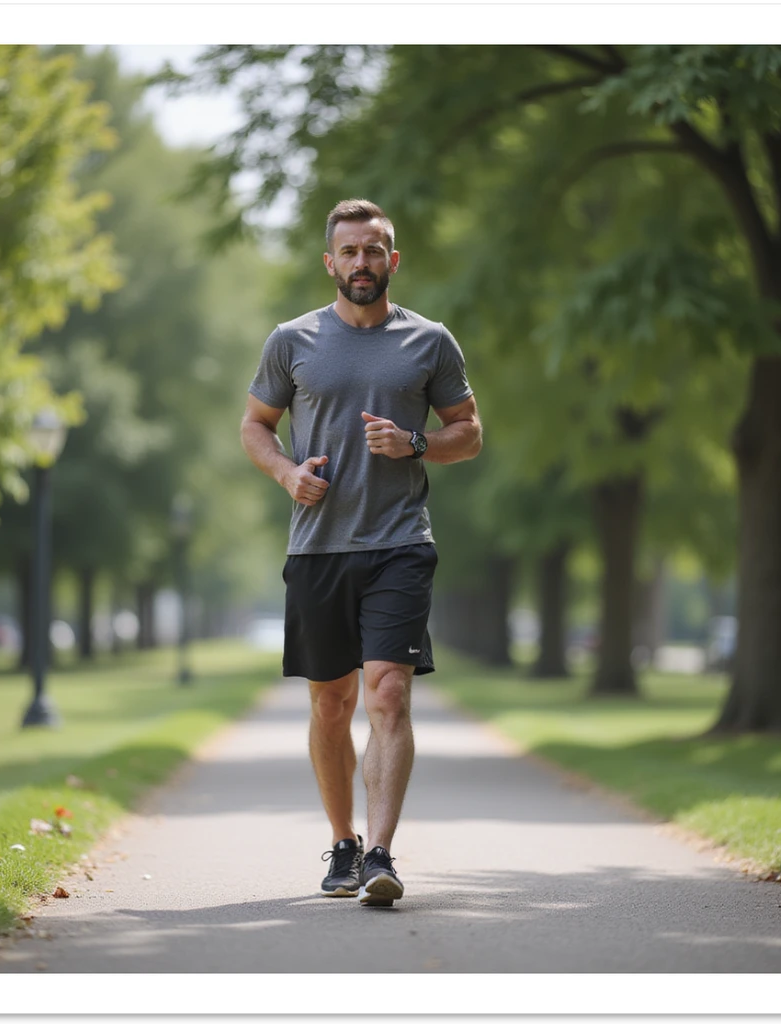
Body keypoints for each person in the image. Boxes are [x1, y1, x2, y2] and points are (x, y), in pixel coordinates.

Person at [240, 198, 482, 907]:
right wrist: (287, 474)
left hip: (400, 542)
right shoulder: (292, 340)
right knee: (331, 703)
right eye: (349, 252)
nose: (362, 263)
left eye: (374, 250)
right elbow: (256, 425)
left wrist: (415, 443)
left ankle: (379, 853)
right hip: (319, 549)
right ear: (331, 262)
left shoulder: (430, 341)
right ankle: (342, 842)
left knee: (387, 692)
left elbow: (468, 431)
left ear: (392, 260)